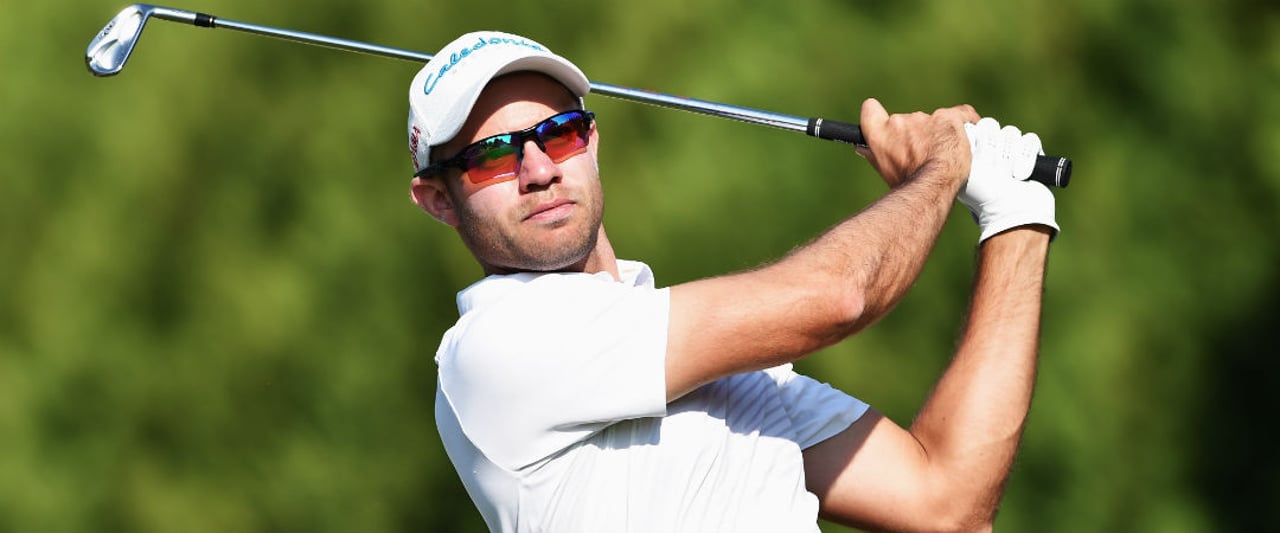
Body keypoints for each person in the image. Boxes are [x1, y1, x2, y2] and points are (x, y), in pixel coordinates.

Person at [406, 31, 1058, 533]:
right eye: (493, 156)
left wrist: (1016, 217)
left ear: (592, 140)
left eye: (561, 132)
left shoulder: (726, 375)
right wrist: (943, 167)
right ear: (436, 199)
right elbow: (838, 296)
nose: (540, 168)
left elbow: (946, 501)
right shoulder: (494, 349)